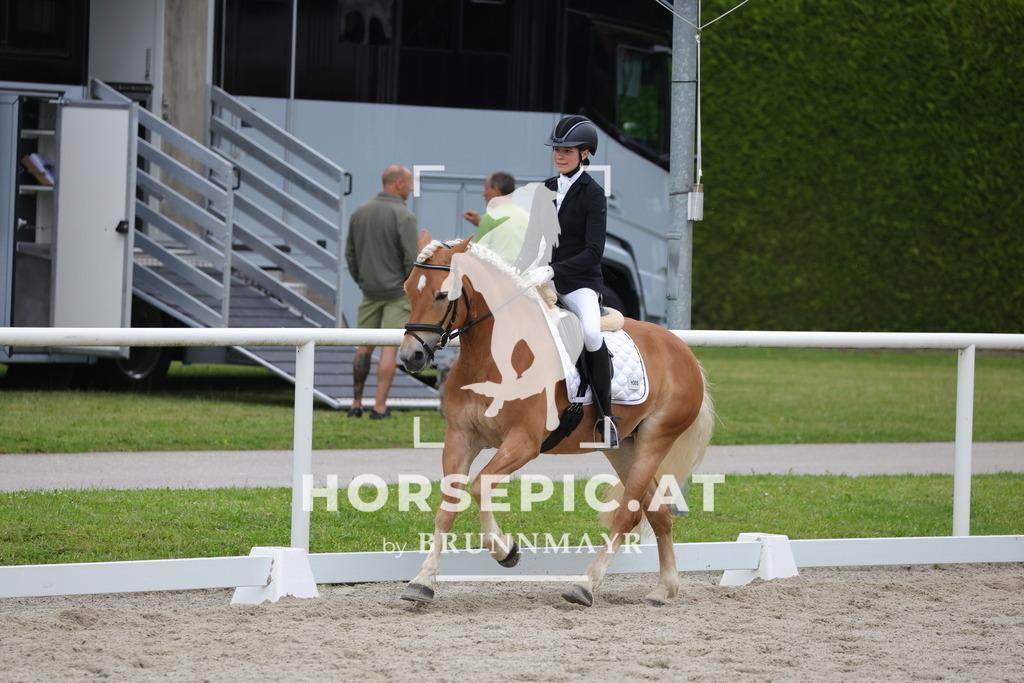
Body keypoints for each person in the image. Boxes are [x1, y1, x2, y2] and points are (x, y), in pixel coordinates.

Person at [534, 115, 619, 448]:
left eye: (567, 151)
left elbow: (593, 251)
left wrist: (555, 270)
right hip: (544, 278)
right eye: (556, 150)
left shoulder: (593, 194)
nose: (559, 156)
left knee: (591, 334)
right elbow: (533, 241)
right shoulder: (544, 189)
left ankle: (606, 416)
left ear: (585, 153)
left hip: (579, 282)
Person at [345, 164, 419, 419]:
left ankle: (355, 404)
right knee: (389, 348)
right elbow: (411, 260)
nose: (411, 188)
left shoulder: (359, 212)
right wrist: (410, 288)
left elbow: (350, 255)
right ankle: (379, 408)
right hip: (397, 294)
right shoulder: (404, 215)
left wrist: (363, 281)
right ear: (398, 184)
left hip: (369, 292)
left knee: (364, 348)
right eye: (409, 183)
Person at [462, 171, 529, 265]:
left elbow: (477, 254)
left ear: (496, 190)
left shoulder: (490, 217)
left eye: (486, 189)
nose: (483, 193)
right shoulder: (526, 216)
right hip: (527, 273)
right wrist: (481, 223)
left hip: (502, 272)